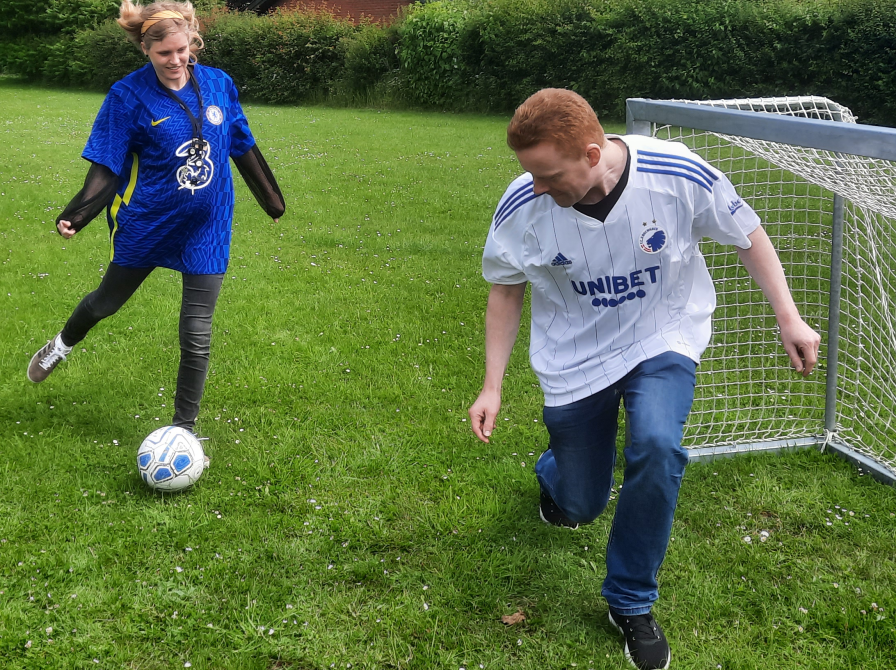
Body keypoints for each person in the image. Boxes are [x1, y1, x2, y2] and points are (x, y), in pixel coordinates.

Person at [468, 89, 820, 670]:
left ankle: (630, 601)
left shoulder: (676, 172)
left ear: (591, 152)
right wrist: (492, 386)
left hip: (663, 335)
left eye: (549, 175)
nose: (537, 187)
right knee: (581, 504)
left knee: (657, 445)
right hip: (574, 357)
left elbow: (747, 233)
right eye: (530, 174)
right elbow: (505, 291)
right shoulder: (522, 206)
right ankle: (556, 476)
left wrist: (789, 316)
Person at [27, 0, 285, 435]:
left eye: (182, 49)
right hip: (149, 220)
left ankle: (183, 431)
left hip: (208, 222)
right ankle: (62, 344)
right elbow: (108, 164)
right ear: (145, 49)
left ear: (192, 41)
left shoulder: (218, 84)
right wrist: (78, 214)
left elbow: (241, 142)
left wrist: (272, 200)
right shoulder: (127, 96)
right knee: (106, 303)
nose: (176, 60)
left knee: (197, 332)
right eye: (164, 53)